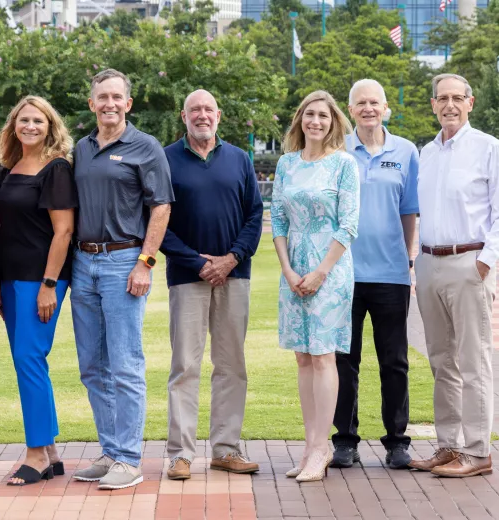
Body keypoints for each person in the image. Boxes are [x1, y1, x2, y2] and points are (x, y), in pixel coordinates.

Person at [71, 69, 174, 490]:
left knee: (126, 364)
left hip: (124, 261)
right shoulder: (81, 148)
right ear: (92, 103)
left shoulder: (145, 147)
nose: (109, 103)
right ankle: (111, 451)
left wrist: (145, 263)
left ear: (128, 104)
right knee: (93, 367)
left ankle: (130, 459)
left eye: (117, 97)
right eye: (102, 97)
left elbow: (162, 207)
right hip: (83, 263)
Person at [160, 89, 263, 480]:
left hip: (234, 275)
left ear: (218, 115)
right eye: (194, 110)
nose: (202, 115)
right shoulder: (166, 159)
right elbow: (157, 221)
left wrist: (232, 257)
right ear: (183, 116)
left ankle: (226, 449)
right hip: (187, 278)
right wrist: (197, 262)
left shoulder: (238, 159)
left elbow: (254, 214)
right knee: (184, 365)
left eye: (208, 109)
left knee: (232, 365)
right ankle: (180, 454)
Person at [410, 73, 499, 477]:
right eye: (441, 98)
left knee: (473, 360)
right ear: (432, 104)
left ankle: (478, 451)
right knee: (441, 360)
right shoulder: (425, 152)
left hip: (469, 262)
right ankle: (448, 445)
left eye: (456, 98)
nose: (449, 105)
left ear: (470, 102)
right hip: (429, 263)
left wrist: (485, 262)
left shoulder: (488, 148)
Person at [271, 90, 359, 482]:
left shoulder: (343, 165)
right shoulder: (287, 164)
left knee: (324, 356)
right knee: (302, 357)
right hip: (294, 271)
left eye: (323, 116)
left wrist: (322, 271)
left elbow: (349, 225)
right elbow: (277, 222)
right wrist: (289, 270)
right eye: (310, 115)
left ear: (333, 121)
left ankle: (322, 448)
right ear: (300, 120)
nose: (316, 122)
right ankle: (310, 446)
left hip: (331, 270)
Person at [331, 79, 419, 470]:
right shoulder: (337, 151)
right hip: (343, 274)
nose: (368, 108)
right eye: (360, 103)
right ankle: (345, 440)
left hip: (391, 274)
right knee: (344, 362)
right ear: (351, 110)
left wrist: (409, 260)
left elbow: (409, 211)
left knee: (394, 362)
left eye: (374, 103)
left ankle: (397, 441)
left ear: (386, 108)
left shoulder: (406, 151)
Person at [0, 96, 77, 485]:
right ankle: (51, 452)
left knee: (29, 361)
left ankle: (35, 454)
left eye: (38, 120)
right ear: (13, 126)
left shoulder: (56, 168)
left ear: (50, 126)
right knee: (30, 362)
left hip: (40, 281)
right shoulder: (7, 169)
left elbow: (63, 231)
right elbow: (3, 229)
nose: (30, 126)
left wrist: (48, 286)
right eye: (23, 120)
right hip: (10, 280)